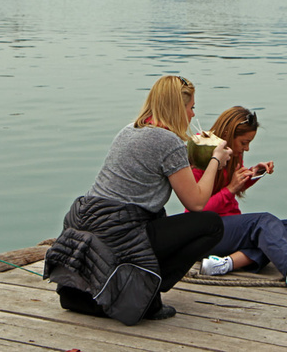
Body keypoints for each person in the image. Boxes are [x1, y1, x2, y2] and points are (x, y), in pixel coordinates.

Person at [44, 75, 232, 325]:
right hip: (119, 231)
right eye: (191, 108)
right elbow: (196, 203)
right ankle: (148, 293)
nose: (192, 115)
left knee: (158, 215)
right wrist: (216, 161)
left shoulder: (129, 130)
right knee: (210, 224)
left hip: (90, 221)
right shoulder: (169, 142)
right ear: (178, 108)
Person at [191, 106, 287, 290]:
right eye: (244, 142)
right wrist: (230, 189)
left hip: (229, 230)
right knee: (264, 221)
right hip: (204, 233)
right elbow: (197, 209)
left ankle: (226, 264)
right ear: (228, 134)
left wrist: (251, 175)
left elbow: (231, 188)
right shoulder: (202, 155)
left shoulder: (234, 154)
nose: (247, 148)